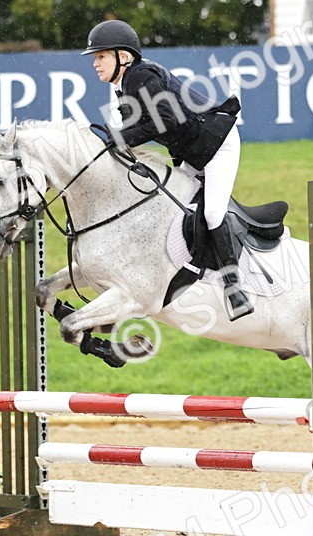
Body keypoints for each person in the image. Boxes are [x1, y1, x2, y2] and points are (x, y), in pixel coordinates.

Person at [82, 19, 252, 320]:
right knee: (178, 207)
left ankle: (233, 286)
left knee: (212, 212)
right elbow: (137, 129)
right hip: (194, 149)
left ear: (123, 56)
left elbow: (166, 121)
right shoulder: (125, 85)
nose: (95, 63)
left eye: (101, 56)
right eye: (95, 58)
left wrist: (119, 137)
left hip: (218, 143)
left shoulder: (142, 76)